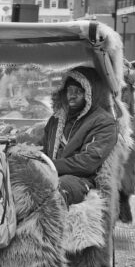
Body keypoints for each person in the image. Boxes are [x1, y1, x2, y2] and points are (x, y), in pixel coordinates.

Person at [42, 67, 118, 206]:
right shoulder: (56, 119)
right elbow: (42, 148)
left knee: (54, 191)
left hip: (79, 179)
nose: (72, 95)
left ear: (90, 93)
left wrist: (48, 165)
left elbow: (87, 163)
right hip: (48, 171)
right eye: (69, 90)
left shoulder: (104, 122)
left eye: (78, 91)